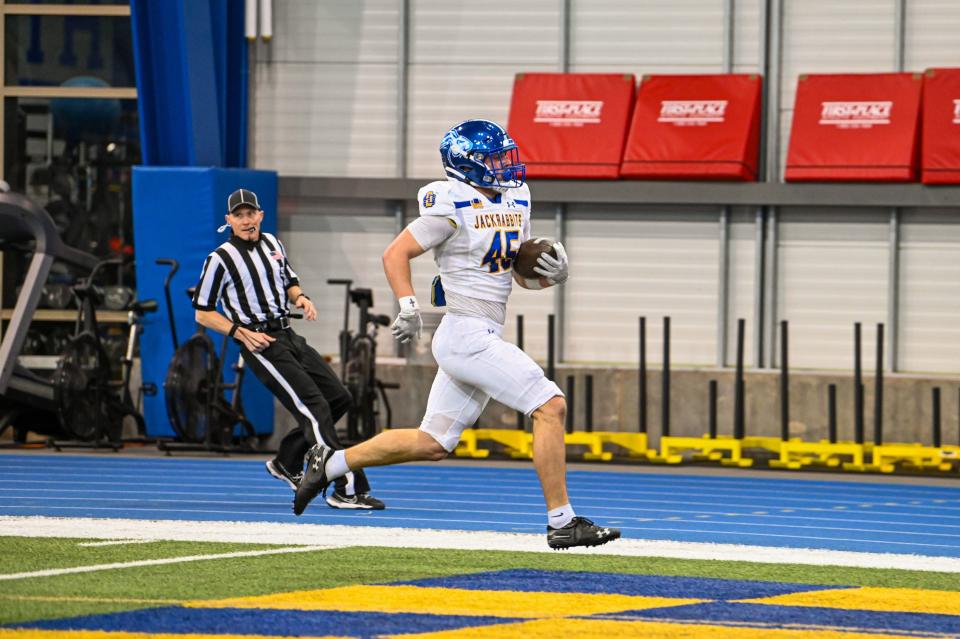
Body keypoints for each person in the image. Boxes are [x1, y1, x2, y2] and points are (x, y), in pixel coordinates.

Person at [293, 120, 620, 549]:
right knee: (550, 405)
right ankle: (562, 522)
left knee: (432, 443)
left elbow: (511, 273)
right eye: (492, 158)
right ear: (466, 164)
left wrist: (548, 276)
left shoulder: (516, 197)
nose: (503, 165)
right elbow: (396, 253)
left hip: (479, 330)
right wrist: (408, 303)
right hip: (466, 334)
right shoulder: (452, 202)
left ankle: (331, 463)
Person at [192, 188, 384, 510]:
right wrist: (239, 332)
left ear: (260, 215)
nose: (246, 220)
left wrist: (300, 298)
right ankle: (345, 488)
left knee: (338, 398)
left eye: (250, 213)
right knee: (314, 408)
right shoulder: (220, 259)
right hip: (261, 344)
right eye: (238, 215)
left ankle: (287, 461)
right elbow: (202, 311)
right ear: (229, 221)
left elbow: (289, 279)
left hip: (288, 334)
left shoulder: (272, 244)